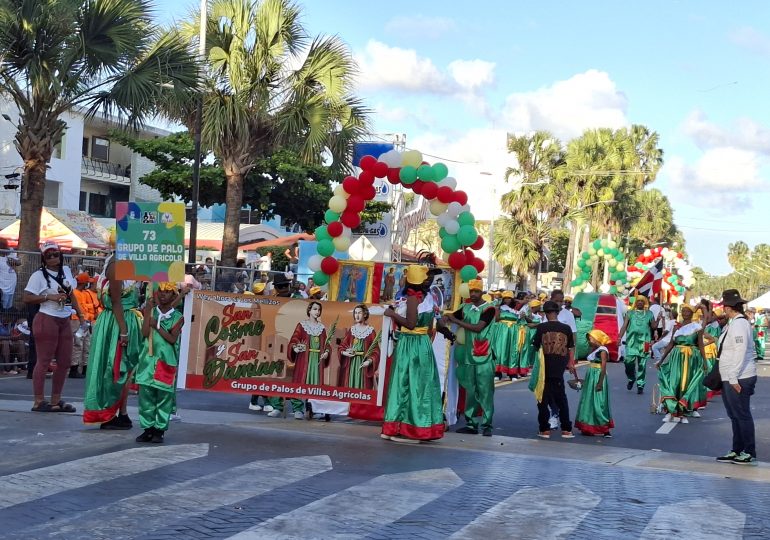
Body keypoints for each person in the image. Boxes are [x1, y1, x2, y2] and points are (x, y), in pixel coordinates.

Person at [82, 245, 144, 429]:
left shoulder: (123, 262)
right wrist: (124, 330)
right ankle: (109, 413)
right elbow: (116, 301)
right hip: (119, 321)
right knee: (115, 368)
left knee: (125, 369)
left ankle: (122, 412)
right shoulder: (116, 266)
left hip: (123, 319)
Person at [381, 265, 444, 443]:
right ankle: (422, 426)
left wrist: (391, 314)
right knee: (421, 386)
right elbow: (433, 322)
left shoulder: (412, 299)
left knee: (404, 383)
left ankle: (407, 428)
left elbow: (410, 324)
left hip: (410, 343)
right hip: (423, 344)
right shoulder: (429, 297)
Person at [23, 242, 85, 413]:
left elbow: (71, 294)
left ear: (60, 255)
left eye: (55, 254)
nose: (53, 258)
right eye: (48, 255)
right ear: (44, 258)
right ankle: (38, 400)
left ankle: (55, 400)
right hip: (47, 318)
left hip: (64, 318)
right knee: (43, 360)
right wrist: (48, 297)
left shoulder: (65, 271)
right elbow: (27, 297)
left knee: (65, 361)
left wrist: (80, 315)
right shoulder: (38, 275)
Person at [442, 279, 496, 436]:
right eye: (471, 291)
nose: (473, 294)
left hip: (484, 357)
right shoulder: (464, 307)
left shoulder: (489, 309)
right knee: (471, 392)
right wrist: (444, 318)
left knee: (485, 392)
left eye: (476, 291)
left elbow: (478, 328)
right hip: (467, 356)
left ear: (482, 292)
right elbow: (451, 316)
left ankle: (487, 426)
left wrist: (456, 320)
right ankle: (471, 425)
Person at [135, 283, 184, 444]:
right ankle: (147, 428)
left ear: (174, 295)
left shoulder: (177, 317)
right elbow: (144, 333)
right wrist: (148, 312)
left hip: (165, 361)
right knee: (146, 397)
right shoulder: (150, 311)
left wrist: (156, 324)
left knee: (163, 397)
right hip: (147, 360)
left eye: (168, 292)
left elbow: (171, 339)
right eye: (161, 291)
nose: (163, 295)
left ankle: (159, 429)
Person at [715, 289, 758, 465]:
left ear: (727, 307)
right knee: (735, 415)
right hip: (730, 375)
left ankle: (749, 451)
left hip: (739, 376)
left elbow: (740, 351)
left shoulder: (740, 324)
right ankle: (737, 449)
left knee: (742, 414)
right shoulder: (732, 323)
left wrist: (733, 377)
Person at [531, 300, 576, 439]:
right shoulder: (566, 328)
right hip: (559, 368)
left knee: (542, 399)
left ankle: (544, 429)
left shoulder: (541, 328)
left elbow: (535, 345)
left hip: (545, 368)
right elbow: (570, 347)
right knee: (561, 398)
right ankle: (566, 429)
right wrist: (571, 363)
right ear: (557, 312)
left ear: (545, 313)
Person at [654, 305, 705, 423]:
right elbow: (671, 344)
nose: (685, 313)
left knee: (685, 385)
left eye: (688, 311)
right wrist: (661, 360)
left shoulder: (697, 327)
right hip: (676, 358)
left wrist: (705, 362)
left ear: (692, 313)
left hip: (690, 359)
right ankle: (669, 411)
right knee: (673, 383)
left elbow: (701, 345)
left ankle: (683, 413)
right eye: (683, 311)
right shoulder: (677, 327)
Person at [575, 329, 614, 437]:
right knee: (589, 400)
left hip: (598, 376)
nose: (588, 341)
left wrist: (600, 383)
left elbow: (603, 367)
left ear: (597, 338)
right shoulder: (594, 349)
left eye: (590, 338)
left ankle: (605, 428)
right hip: (591, 376)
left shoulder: (602, 351)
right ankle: (589, 427)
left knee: (599, 402)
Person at [618, 296, 656, 394]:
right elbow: (624, 326)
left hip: (644, 343)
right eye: (638, 301)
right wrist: (619, 338)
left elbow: (653, 326)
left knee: (642, 365)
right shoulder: (630, 313)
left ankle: (640, 385)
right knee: (628, 362)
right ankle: (631, 379)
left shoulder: (649, 314)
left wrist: (659, 319)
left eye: (642, 301)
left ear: (644, 303)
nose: (639, 303)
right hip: (631, 342)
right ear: (635, 303)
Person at [337, 304, 378, 389]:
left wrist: (369, 361)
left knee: (362, 386)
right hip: (351, 364)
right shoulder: (352, 330)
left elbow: (375, 350)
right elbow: (342, 345)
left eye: (359, 313)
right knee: (350, 384)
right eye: (355, 313)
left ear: (365, 314)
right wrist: (345, 352)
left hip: (363, 363)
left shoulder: (370, 331)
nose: (357, 315)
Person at [69, 273, 100, 379]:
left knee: (86, 344)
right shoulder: (75, 293)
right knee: (78, 344)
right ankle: (74, 368)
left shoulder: (82, 293)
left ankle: (84, 369)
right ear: (84, 282)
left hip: (84, 322)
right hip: (77, 321)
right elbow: (79, 308)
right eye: (87, 281)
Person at [492, 291, 520, 380]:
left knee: (512, 350)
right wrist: (496, 310)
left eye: (509, 298)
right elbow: (496, 319)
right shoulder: (500, 308)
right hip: (502, 329)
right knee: (500, 349)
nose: (507, 300)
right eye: (505, 298)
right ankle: (497, 372)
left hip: (513, 330)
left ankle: (512, 373)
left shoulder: (516, 309)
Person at [0, 237, 20, 310]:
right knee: (3, 308)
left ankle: (6, 320)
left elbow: (19, 262)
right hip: (2, 288)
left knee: (8, 308)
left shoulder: (10, 254)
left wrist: (13, 261)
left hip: (11, 286)